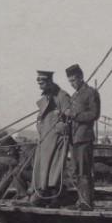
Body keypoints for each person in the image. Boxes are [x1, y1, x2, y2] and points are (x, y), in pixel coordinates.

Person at [63, 64, 101, 210]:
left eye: (74, 80)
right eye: (70, 81)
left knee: (84, 171)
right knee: (75, 171)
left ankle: (86, 203)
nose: (72, 84)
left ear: (81, 77)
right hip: (74, 138)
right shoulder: (75, 96)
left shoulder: (91, 93)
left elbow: (94, 114)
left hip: (84, 138)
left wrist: (73, 115)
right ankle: (82, 201)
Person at [30, 70, 71, 205]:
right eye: (38, 83)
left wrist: (63, 123)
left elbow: (70, 115)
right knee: (42, 167)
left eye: (42, 83)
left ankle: (54, 197)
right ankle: (41, 193)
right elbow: (41, 118)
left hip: (57, 140)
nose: (40, 86)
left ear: (49, 82)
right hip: (45, 139)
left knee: (55, 168)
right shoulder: (46, 98)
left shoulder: (62, 96)